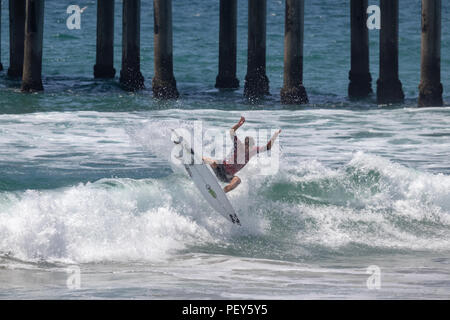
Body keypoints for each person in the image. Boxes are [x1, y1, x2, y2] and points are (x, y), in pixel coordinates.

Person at [203, 116, 281, 193]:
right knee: (214, 162)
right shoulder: (239, 145)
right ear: (244, 143)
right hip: (221, 167)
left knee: (237, 180)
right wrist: (239, 124)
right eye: (246, 144)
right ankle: (199, 158)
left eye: (249, 145)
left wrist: (275, 135)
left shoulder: (253, 151)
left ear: (252, 145)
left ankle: (221, 193)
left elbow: (267, 147)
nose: (247, 147)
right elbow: (232, 131)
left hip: (227, 176)